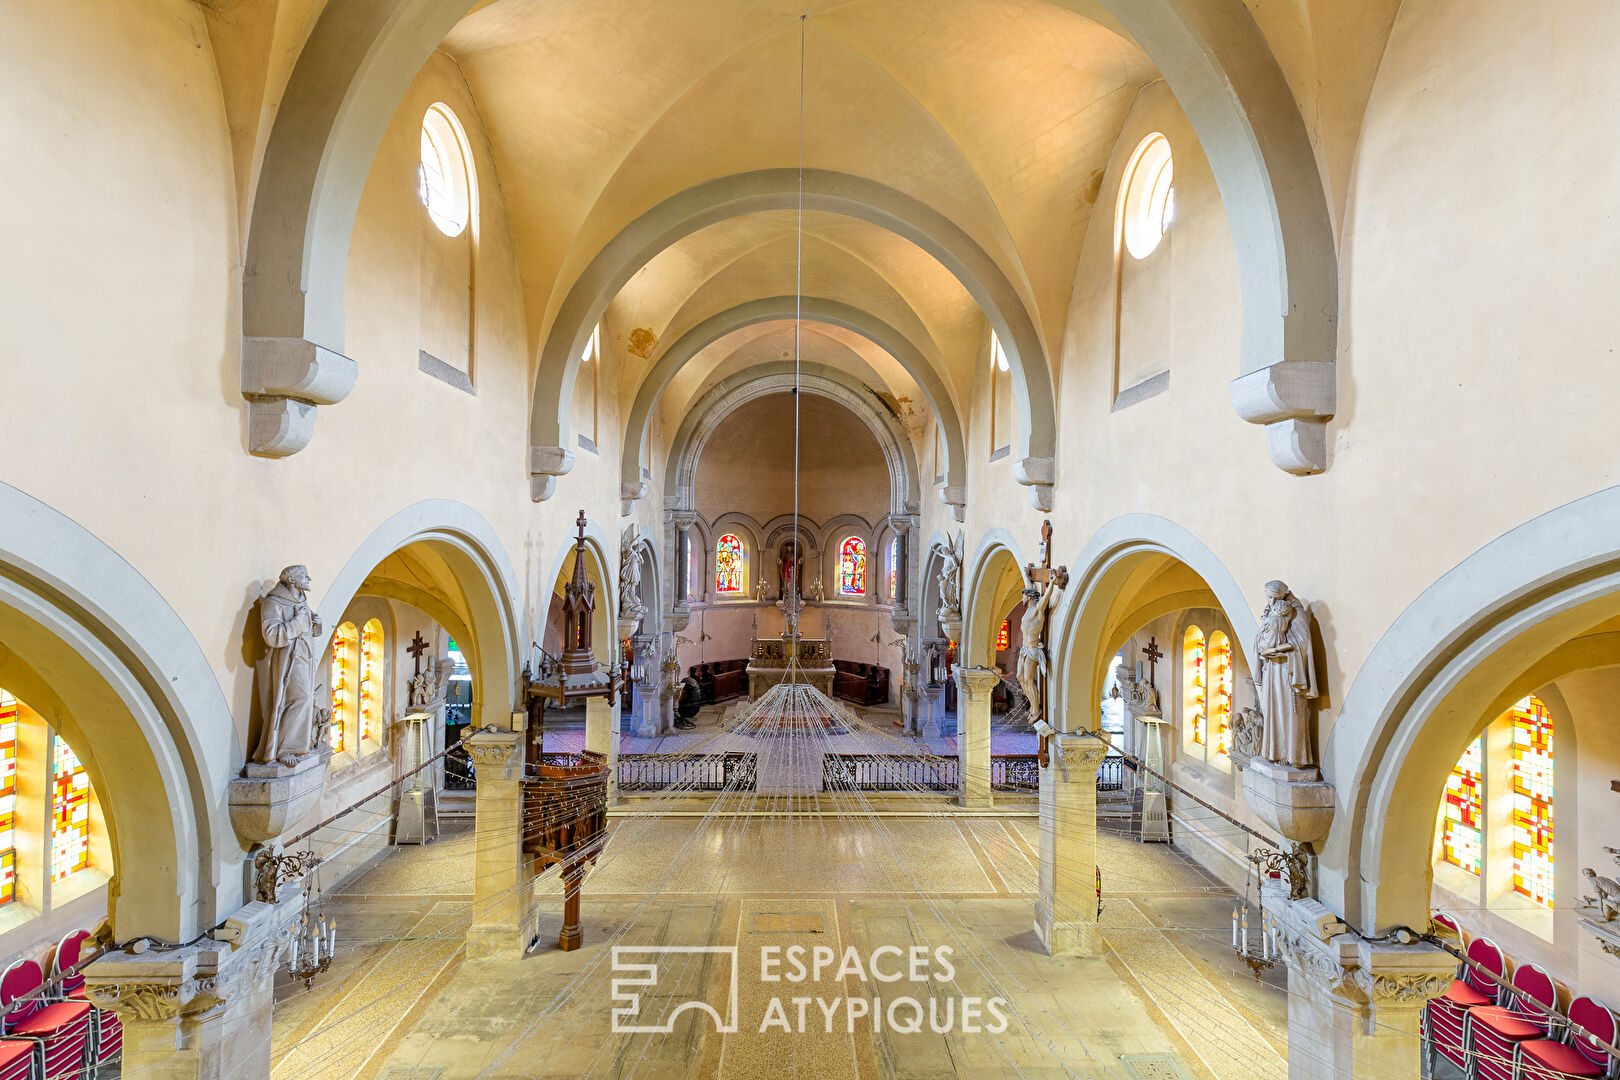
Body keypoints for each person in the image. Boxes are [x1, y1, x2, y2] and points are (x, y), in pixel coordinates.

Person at [253, 565, 323, 765]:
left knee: (304, 699)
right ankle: (284, 749)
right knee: (299, 699)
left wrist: (316, 623)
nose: (308, 578)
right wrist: (298, 624)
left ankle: (297, 745)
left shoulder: (300, 600)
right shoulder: (273, 603)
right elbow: (272, 635)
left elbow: (307, 627)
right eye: (304, 576)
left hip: (305, 658)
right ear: (292, 580)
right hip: (288, 660)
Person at [1253, 580, 1319, 768]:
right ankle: (1274, 751)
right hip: (1272, 668)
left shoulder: (1294, 609)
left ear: (1282, 594)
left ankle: (1293, 754)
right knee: (1273, 709)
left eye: (1274, 598)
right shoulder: (1273, 609)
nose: (1271, 602)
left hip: (1288, 669)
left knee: (1289, 711)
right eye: (1268, 597)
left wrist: (1279, 650)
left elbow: (1302, 641)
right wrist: (1264, 652)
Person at [1016, 575, 1062, 724]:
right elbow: (1031, 585)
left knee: (1029, 680)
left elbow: (1046, 597)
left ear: (1029, 597)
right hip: (1024, 650)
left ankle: (1036, 709)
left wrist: (1053, 582)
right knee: (1019, 677)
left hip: (1033, 650)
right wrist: (1026, 576)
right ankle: (1032, 704)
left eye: (1023, 596)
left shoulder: (1038, 610)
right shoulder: (1027, 610)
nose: (1021, 599)